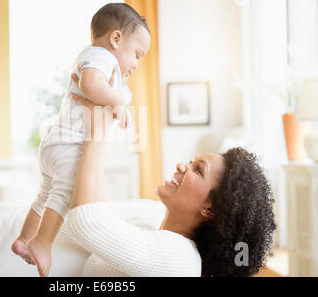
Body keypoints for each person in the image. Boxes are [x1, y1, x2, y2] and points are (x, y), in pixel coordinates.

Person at [64, 89, 276, 277]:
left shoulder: (180, 261)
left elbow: (85, 220)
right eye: (192, 162)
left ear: (210, 209)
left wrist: (100, 128)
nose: (181, 166)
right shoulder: (154, 216)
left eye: (198, 170)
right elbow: (91, 212)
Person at [11, 2, 151, 277]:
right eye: (137, 54)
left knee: (45, 194)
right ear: (115, 38)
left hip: (57, 141)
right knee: (65, 191)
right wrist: (117, 101)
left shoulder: (92, 56)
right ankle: (42, 243)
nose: (136, 64)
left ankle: (24, 239)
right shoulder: (102, 57)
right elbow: (90, 84)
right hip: (68, 144)